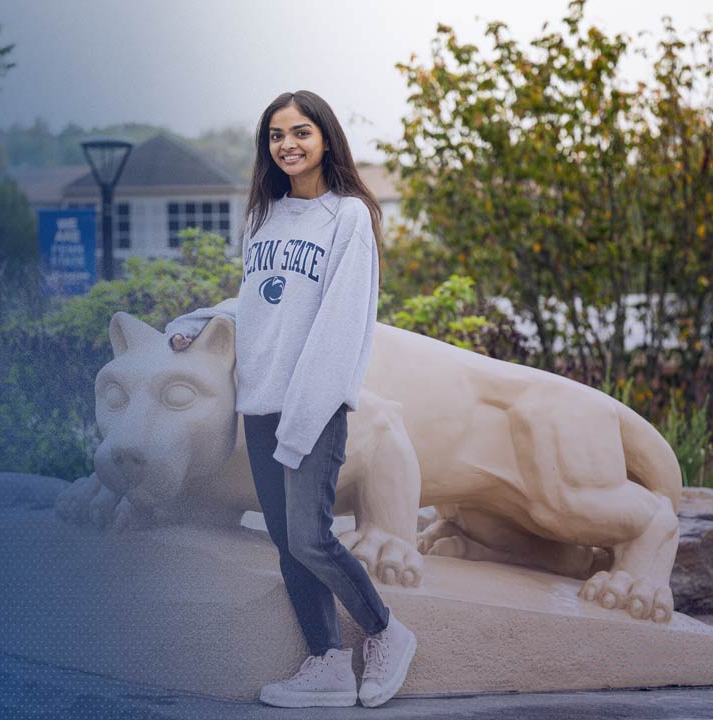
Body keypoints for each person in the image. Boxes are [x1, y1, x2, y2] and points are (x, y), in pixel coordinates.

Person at [164, 90, 416, 708]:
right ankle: (327, 662)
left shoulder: (349, 216)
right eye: (276, 136)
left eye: (301, 132)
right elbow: (256, 304)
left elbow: (339, 326)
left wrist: (302, 420)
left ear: (325, 138)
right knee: (287, 545)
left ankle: (387, 631)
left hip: (315, 406)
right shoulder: (264, 218)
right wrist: (201, 319)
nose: (288, 145)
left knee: (310, 537)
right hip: (260, 403)